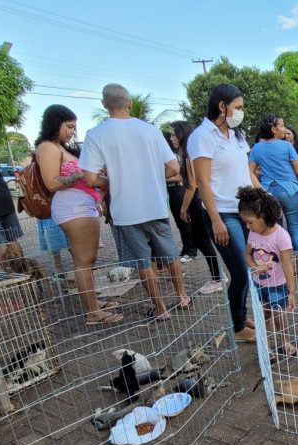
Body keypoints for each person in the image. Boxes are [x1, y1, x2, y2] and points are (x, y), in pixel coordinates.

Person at [81, 84, 190, 322]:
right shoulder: (150, 131)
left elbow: (89, 177)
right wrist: (150, 176)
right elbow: (173, 167)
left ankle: (160, 308)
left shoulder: (96, 134)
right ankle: (182, 296)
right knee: (170, 254)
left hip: (125, 210)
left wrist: (112, 180)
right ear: (129, 103)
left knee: (143, 262)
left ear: (104, 105)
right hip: (155, 206)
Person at [36, 104, 124, 325]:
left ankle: (93, 303)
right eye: (69, 126)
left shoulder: (60, 148)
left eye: (74, 127)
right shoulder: (47, 147)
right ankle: (93, 312)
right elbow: (52, 183)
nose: (72, 131)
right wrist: (80, 173)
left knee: (88, 259)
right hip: (72, 209)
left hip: (81, 207)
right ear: (55, 123)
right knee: (84, 261)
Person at [188, 84, 260, 342]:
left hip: (245, 213)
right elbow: (203, 181)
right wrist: (216, 220)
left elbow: (247, 172)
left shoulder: (236, 135)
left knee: (246, 270)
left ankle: (239, 316)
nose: (241, 112)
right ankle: (238, 328)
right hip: (223, 214)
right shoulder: (202, 136)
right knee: (241, 270)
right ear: (222, 106)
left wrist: (263, 196)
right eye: (238, 107)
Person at [240, 186, 297, 362]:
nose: (247, 226)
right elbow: (248, 254)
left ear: (263, 216)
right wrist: (254, 266)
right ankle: (265, 346)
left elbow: (287, 266)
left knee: (279, 315)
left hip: (278, 285)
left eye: (250, 222)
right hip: (259, 284)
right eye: (245, 223)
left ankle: (284, 342)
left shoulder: (281, 236)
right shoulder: (253, 234)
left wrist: (292, 292)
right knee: (263, 315)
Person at [169, 121, 223, 295]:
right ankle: (218, 276)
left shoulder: (189, 155)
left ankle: (218, 278)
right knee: (202, 240)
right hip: (198, 201)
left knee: (203, 240)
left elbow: (191, 186)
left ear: (182, 135)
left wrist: (183, 208)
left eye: (173, 134)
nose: (171, 138)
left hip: (197, 202)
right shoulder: (188, 154)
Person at [249, 114, 298, 276]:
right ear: (273, 129)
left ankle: (279, 267)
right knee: (295, 227)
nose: (284, 129)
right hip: (290, 190)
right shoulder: (287, 146)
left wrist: (262, 185)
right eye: (281, 126)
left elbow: (250, 172)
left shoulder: (256, 148)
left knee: (275, 230)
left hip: (268, 192)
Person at [162, 130, 195, 263]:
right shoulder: (172, 156)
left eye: (174, 135)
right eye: (170, 136)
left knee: (184, 221)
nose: (171, 138)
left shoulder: (176, 157)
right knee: (180, 223)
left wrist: (160, 178)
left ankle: (190, 250)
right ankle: (186, 248)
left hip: (178, 189)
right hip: (172, 190)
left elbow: (180, 176)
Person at [284, 125, 298, 228]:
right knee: (292, 197)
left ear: (294, 134)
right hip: (288, 176)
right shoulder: (283, 145)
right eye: (285, 133)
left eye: (288, 133)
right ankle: (296, 218)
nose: (286, 135)